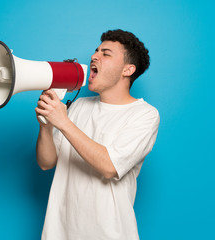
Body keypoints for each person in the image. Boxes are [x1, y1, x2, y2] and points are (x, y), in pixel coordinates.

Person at [35, 29, 160, 240]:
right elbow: (46, 162)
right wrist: (46, 125)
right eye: (96, 51)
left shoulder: (145, 115)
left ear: (127, 70)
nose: (94, 56)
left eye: (106, 53)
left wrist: (62, 121)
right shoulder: (79, 106)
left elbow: (110, 167)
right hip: (59, 232)